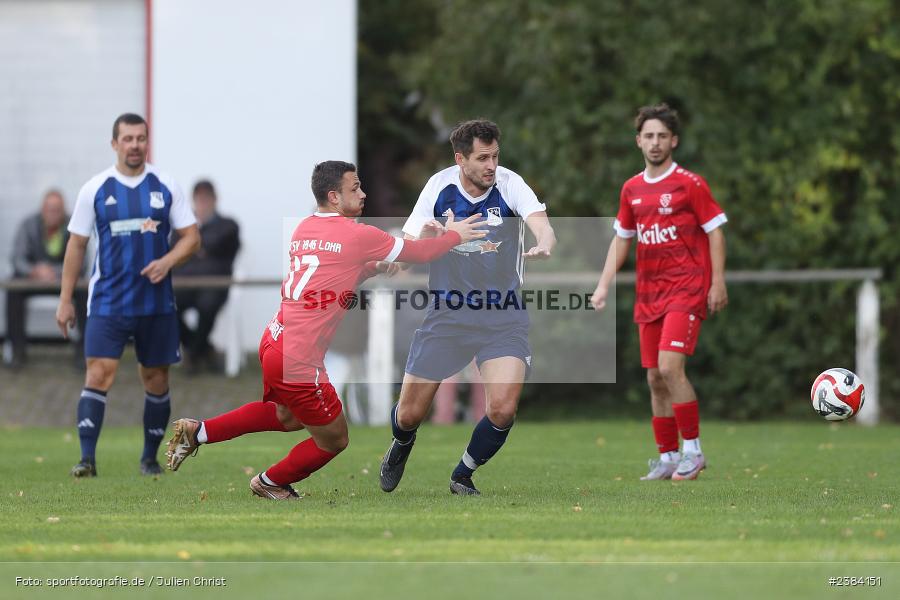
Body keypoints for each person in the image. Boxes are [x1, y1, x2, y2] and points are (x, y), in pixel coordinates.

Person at [165, 160, 488, 500]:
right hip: (300, 358)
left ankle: (199, 431)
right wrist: (455, 236)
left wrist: (375, 267)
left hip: (274, 341)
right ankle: (271, 481)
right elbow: (416, 254)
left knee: (286, 417)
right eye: (355, 189)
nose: (362, 194)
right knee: (334, 439)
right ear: (334, 197)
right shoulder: (357, 234)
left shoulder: (305, 228)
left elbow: (334, 274)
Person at [378, 119, 556, 496]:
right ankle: (401, 444)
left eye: (495, 156)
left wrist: (544, 241)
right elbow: (409, 252)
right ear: (460, 159)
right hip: (448, 315)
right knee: (409, 414)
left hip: (502, 315)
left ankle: (463, 473)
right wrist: (421, 242)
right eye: (482, 158)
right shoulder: (439, 188)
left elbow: (541, 222)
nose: (491, 165)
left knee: (503, 408)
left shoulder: (509, 184)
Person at [56, 113, 200, 477]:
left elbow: (192, 238)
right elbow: (76, 245)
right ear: (114, 143)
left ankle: (149, 459)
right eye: (127, 138)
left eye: (140, 138)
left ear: (146, 142)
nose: (134, 145)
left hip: (155, 304)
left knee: (156, 379)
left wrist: (166, 262)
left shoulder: (165, 184)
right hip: (108, 301)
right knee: (99, 374)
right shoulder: (96, 188)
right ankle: (87, 460)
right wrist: (64, 298)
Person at [590, 103, 728, 481]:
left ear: (674, 141)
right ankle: (667, 457)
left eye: (662, 136)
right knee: (654, 378)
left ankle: (693, 452)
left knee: (670, 367)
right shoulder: (631, 189)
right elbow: (621, 240)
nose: (655, 142)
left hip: (687, 287)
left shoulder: (690, 184)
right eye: (648, 136)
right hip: (649, 293)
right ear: (638, 141)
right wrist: (603, 284)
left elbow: (715, 230)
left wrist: (717, 281)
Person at [5, 190, 85, 368]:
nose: (53, 213)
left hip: (65, 282)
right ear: (42, 209)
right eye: (49, 209)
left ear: (63, 211)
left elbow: (82, 260)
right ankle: (17, 350)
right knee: (13, 291)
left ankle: (83, 350)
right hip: (32, 281)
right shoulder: (28, 225)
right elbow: (17, 258)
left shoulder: (73, 226)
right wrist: (35, 270)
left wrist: (53, 272)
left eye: (57, 209)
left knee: (84, 292)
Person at [174, 180, 241, 373]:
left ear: (215, 200)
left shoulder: (228, 225)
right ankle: (203, 350)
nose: (203, 203)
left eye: (206, 198)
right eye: (199, 199)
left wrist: (191, 245)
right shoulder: (182, 227)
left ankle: (193, 355)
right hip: (185, 285)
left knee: (208, 306)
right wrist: (197, 247)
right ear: (193, 200)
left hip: (214, 286)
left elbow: (219, 242)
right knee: (165, 305)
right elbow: (173, 248)